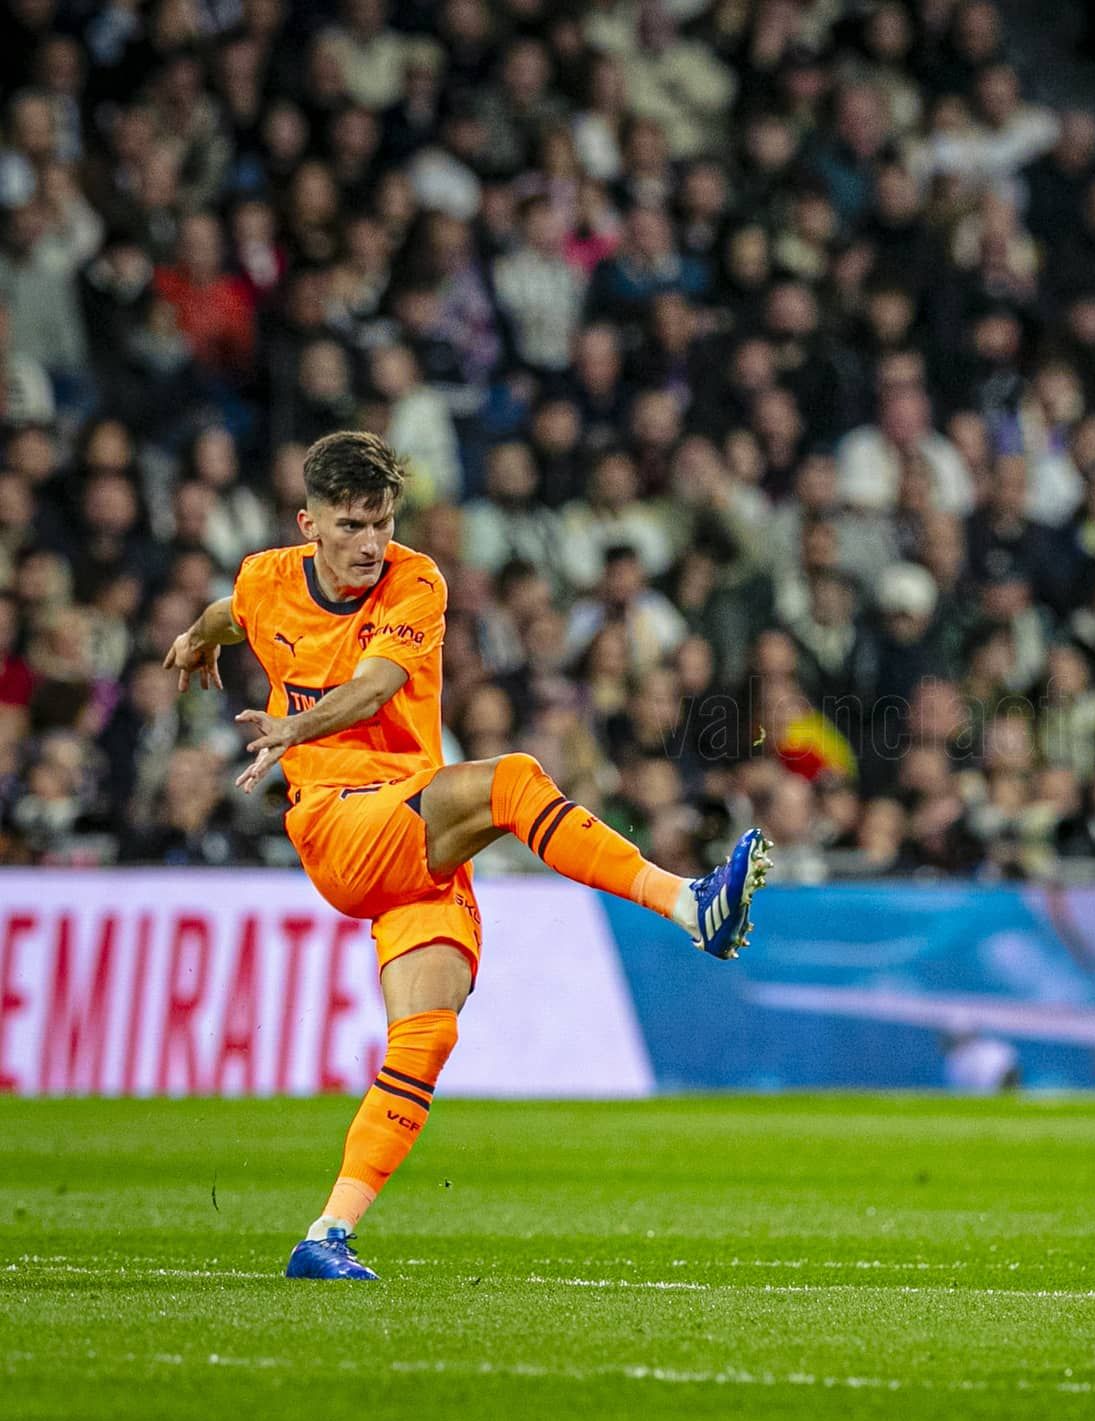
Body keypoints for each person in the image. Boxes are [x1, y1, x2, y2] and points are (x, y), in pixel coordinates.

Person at [162, 432, 772, 1281]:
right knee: (511, 780)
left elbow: (376, 684)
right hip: (341, 825)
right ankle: (685, 903)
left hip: (414, 837)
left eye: (381, 521)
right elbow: (237, 611)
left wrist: (287, 718)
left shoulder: (416, 581)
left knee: (425, 1034)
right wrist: (200, 634)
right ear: (309, 525)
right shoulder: (266, 578)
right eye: (349, 525)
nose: (370, 543)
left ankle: (326, 1234)